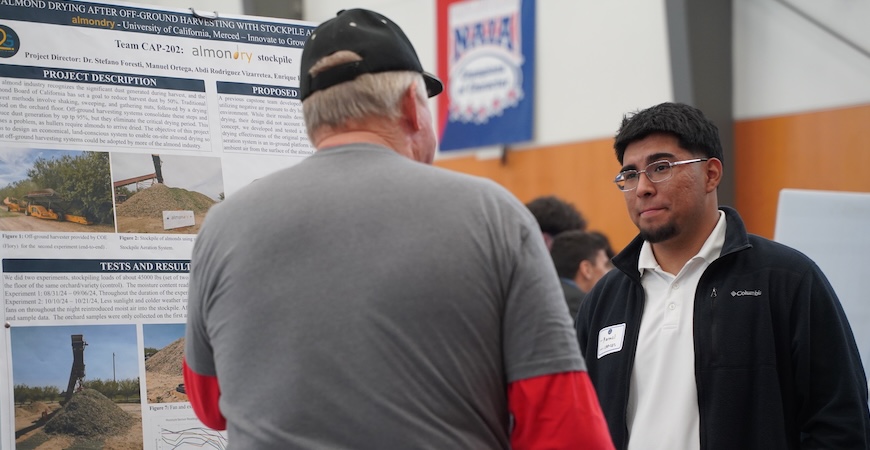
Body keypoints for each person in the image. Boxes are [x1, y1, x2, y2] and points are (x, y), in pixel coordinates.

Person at [183, 9, 613, 450]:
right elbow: (564, 423)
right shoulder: (491, 214)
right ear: (412, 105)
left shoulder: (221, 227)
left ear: (313, 119)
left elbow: (209, 403)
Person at [574, 102, 870, 450]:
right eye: (630, 175)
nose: (642, 188)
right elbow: (579, 423)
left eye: (661, 167)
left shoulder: (786, 280)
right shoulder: (604, 302)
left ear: (711, 174)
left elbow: (840, 423)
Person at [549, 230, 614, 320]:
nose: (611, 271)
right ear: (586, 269)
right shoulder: (582, 305)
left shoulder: (544, 296)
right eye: (606, 265)